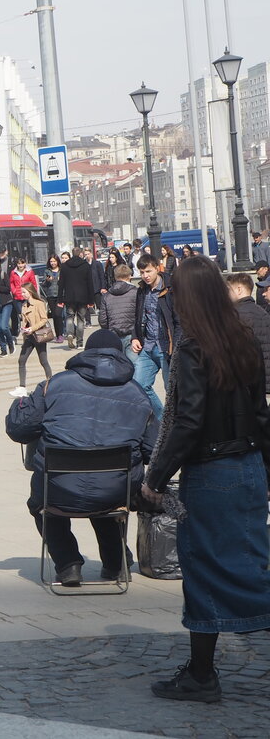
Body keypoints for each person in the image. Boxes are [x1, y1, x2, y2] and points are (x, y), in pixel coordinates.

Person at [142, 256, 270, 703]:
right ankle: (199, 672)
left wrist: (156, 477)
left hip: (212, 473)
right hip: (249, 467)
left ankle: (201, 675)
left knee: (204, 570)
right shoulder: (244, 340)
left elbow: (188, 422)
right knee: (252, 566)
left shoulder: (195, 348)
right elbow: (261, 414)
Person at [7, 330, 156, 587]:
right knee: (106, 493)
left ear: (85, 353)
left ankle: (68, 564)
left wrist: (19, 406)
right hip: (117, 489)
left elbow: (19, 429)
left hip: (59, 485)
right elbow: (153, 449)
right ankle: (116, 563)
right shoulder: (138, 393)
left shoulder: (53, 385)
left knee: (42, 500)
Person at [132, 254, 178, 419]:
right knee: (139, 386)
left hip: (166, 348)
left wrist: (177, 347)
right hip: (148, 346)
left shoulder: (170, 289)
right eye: (142, 272)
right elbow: (137, 318)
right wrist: (135, 337)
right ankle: (161, 419)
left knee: (171, 389)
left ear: (158, 268)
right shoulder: (141, 291)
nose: (146, 276)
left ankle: (173, 424)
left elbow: (177, 321)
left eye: (149, 271)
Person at [225, 273, 270, 397]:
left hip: (250, 385)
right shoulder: (263, 312)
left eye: (229, 289)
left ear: (239, 289)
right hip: (264, 383)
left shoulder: (236, 316)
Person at [11, 283, 53, 397]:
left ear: (30, 292)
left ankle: (51, 384)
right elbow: (25, 321)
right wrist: (23, 330)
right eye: (22, 292)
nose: (22, 294)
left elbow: (44, 319)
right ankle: (22, 387)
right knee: (21, 360)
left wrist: (32, 328)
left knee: (43, 361)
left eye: (24, 292)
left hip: (39, 336)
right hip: (29, 337)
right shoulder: (24, 305)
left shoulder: (39, 303)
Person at [98, 264, 139, 363]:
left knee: (117, 366)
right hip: (132, 334)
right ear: (129, 276)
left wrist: (109, 328)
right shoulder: (136, 292)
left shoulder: (107, 295)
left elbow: (102, 320)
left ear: (115, 277)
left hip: (114, 334)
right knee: (135, 366)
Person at [59, 247, 94, 350]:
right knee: (80, 320)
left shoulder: (65, 266)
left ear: (72, 254)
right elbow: (90, 284)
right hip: (83, 297)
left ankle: (69, 333)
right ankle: (80, 343)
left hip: (69, 297)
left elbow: (61, 284)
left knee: (69, 317)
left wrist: (60, 299)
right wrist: (91, 300)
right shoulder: (86, 266)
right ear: (80, 254)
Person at [43, 255, 65, 342]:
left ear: (57, 261)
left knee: (59, 314)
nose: (53, 263)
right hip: (51, 295)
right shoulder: (47, 271)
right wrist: (47, 280)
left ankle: (62, 333)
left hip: (61, 295)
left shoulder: (62, 270)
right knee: (55, 316)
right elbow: (43, 284)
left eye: (54, 261)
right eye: (51, 261)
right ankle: (58, 334)